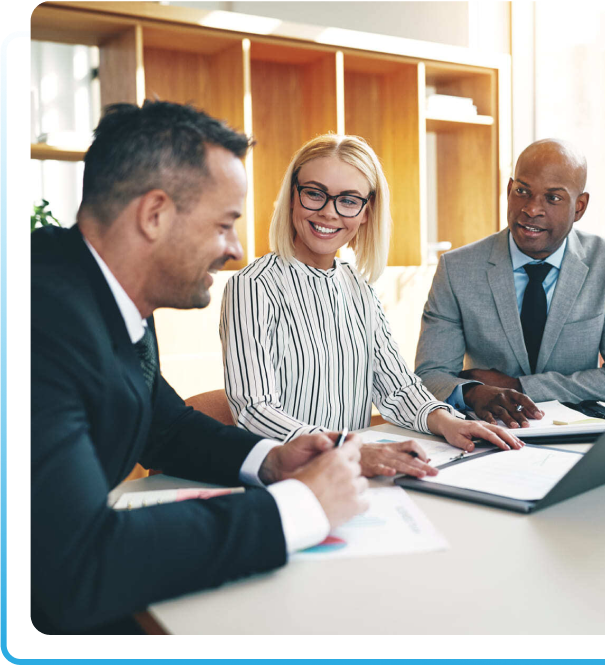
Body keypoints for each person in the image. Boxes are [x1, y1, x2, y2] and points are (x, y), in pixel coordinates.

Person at [30, 101, 369, 636]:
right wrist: (299, 507)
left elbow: (163, 425)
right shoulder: (38, 320)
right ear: (155, 215)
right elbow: (81, 565)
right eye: (224, 224)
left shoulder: (100, 291)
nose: (235, 251)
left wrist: (275, 461)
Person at [220, 134, 524, 479]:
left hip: (352, 479)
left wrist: (445, 421)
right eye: (315, 193)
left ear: (366, 212)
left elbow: (396, 386)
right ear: (293, 196)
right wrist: (348, 451)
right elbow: (254, 410)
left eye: (348, 200)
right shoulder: (252, 286)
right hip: (287, 482)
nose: (328, 212)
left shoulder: (359, 288)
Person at [415, 138, 605, 428]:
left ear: (579, 207)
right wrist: (475, 392)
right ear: (508, 190)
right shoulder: (457, 269)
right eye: (522, 191)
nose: (531, 209)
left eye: (553, 198)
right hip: (489, 433)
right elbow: (430, 375)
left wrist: (520, 385)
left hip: (579, 436)